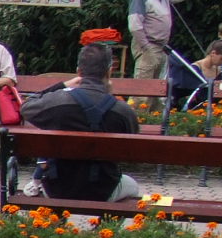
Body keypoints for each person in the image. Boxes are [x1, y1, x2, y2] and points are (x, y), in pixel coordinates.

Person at [21, 41, 143, 202]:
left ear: (79, 71)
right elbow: (132, 141)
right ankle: (105, 218)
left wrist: (62, 85)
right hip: (103, 190)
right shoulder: (122, 111)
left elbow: (26, 107)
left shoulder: (56, 102)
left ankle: (62, 217)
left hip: (57, 188)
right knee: (132, 186)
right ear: (109, 72)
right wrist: (108, 96)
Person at [126, 0, 189, 80]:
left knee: (157, 84)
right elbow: (135, 26)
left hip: (161, 46)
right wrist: (146, 47)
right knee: (143, 82)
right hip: (148, 44)